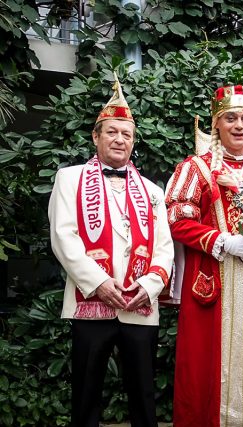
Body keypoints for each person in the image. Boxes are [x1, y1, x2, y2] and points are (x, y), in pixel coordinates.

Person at [48, 74, 174, 427]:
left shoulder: (152, 190)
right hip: (91, 302)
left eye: (127, 134)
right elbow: (63, 237)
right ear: (96, 136)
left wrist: (148, 287)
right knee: (86, 395)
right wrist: (100, 284)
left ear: (134, 141)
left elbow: (164, 248)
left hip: (139, 306)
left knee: (144, 398)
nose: (120, 139)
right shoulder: (69, 179)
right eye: (112, 132)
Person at [166, 84, 243, 427]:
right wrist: (224, 241)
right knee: (205, 363)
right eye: (230, 118)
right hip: (213, 281)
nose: (238, 125)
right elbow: (178, 220)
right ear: (216, 124)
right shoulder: (196, 169)